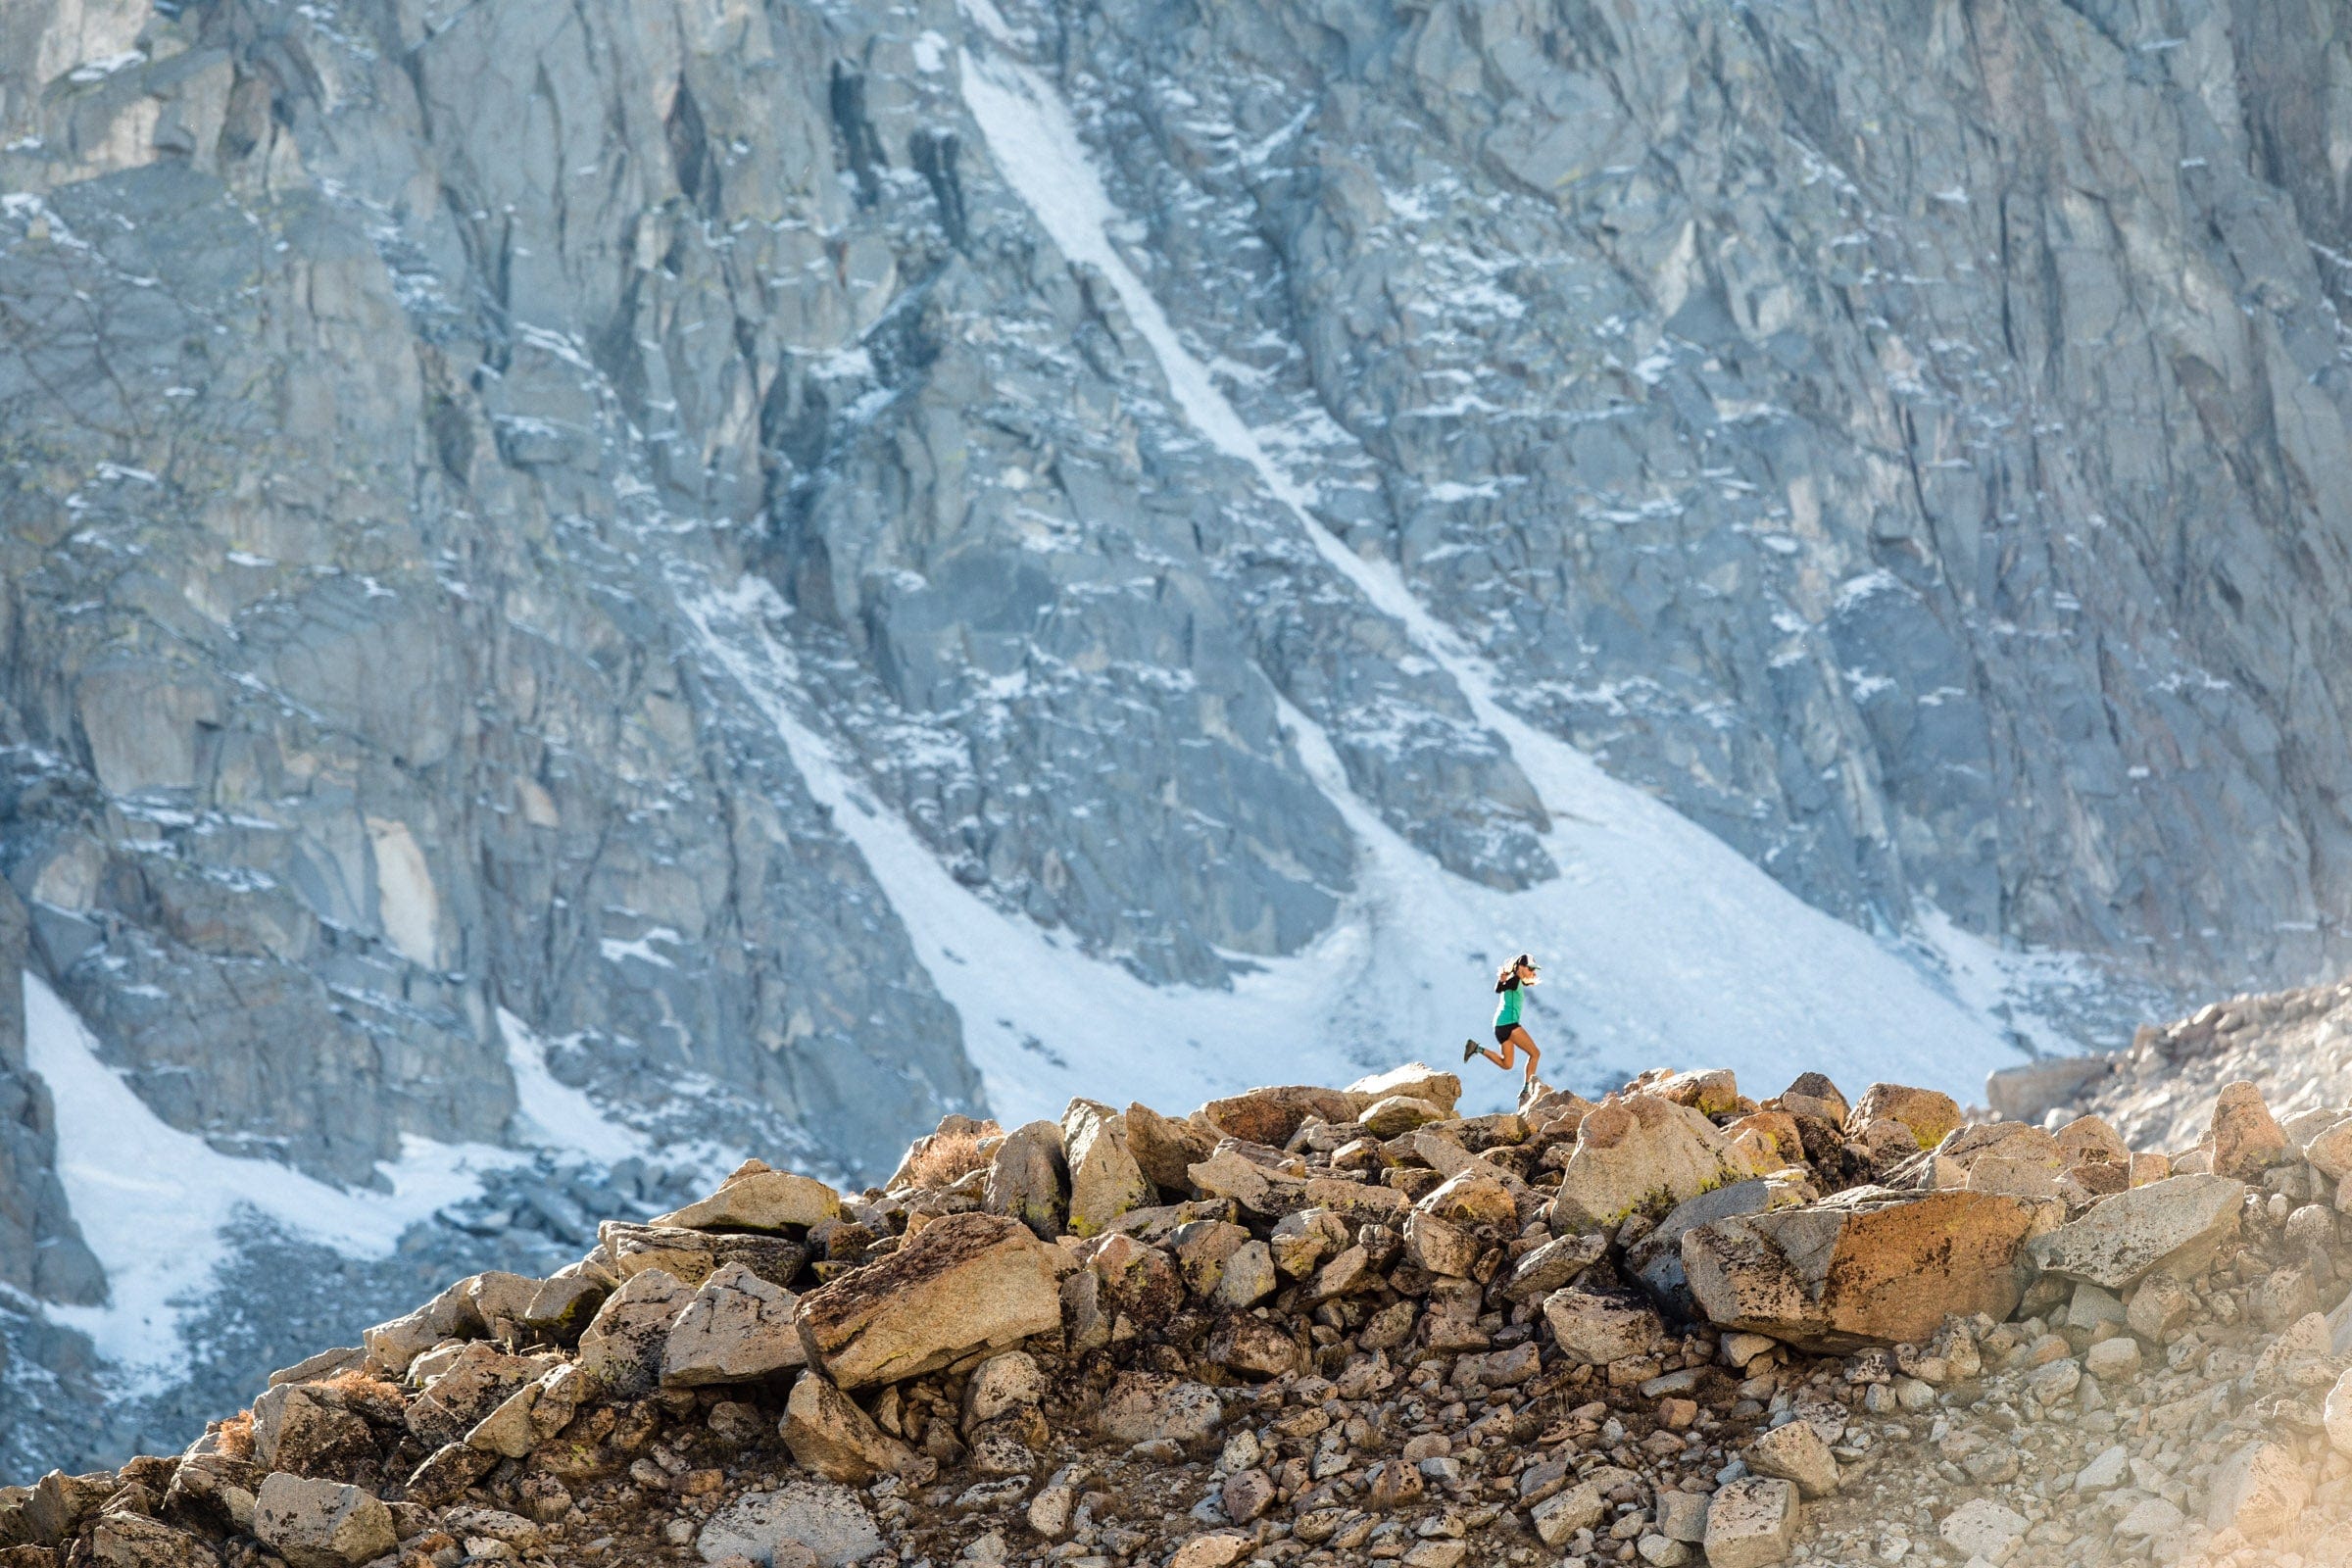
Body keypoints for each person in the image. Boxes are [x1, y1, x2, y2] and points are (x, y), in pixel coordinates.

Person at [1465, 954, 1542, 1086]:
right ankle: (1528, 1088)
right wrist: (1502, 981)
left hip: (1499, 1026)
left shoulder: (1516, 981)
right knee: (1535, 1054)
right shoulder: (1515, 980)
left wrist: (1502, 980)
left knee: (1507, 1064)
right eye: (1530, 968)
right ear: (1520, 967)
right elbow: (1500, 988)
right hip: (1509, 1024)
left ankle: (1477, 1048)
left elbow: (1499, 988)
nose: (1532, 971)